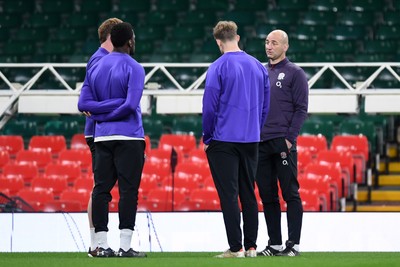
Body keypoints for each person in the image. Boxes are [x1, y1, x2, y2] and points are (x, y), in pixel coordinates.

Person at [78, 22, 146, 258]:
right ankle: (125, 247)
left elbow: (83, 104)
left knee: (101, 190)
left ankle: (101, 245)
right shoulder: (136, 68)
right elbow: (129, 105)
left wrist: (101, 116)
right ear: (129, 41)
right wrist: (115, 107)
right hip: (129, 135)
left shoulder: (96, 66)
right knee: (128, 191)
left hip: (102, 136)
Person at [202, 21, 270, 258]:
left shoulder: (217, 67)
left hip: (223, 139)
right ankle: (251, 246)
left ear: (218, 42)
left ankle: (235, 247)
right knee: (248, 192)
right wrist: (255, 130)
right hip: (251, 138)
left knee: (229, 194)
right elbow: (265, 106)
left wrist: (207, 136)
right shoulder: (258, 67)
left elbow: (209, 107)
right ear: (237, 37)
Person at [256, 29, 309, 257]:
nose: (269, 46)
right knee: (267, 195)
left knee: (290, 193)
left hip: (282, 142)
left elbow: (301, 109)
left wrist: (289, 139)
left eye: (274, 42)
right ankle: (275, 244)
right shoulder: (260, 72)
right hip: (260, 142)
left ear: (285, 46)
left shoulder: (295, 73)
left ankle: (293, 244)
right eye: (267, 42)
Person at [79, 17, 123, 258]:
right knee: (101, 187)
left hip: (100, 131)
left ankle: (96, 242)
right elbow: (89, 103)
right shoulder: (101, 60)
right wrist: (120, 102)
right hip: (98, 132)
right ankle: (96, 243)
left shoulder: (102, 58)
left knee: (101, 186)